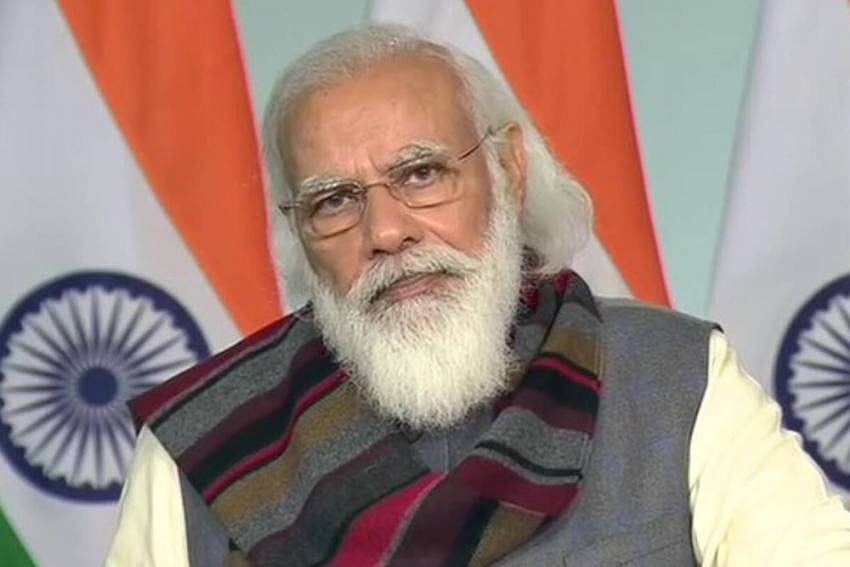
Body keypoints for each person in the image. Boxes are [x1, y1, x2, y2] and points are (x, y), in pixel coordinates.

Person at [106, 24, 850, 566]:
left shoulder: (677, 376)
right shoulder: (206, 443)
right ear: (299, 231)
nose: (386, 232)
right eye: (334, 201)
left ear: (509, 172)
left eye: (421, 173)